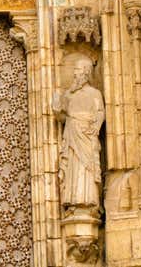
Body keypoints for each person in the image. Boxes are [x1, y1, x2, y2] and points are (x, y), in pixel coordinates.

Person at [52, 57, 104, 212]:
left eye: (77, 69)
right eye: (74, 69)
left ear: (86, 72)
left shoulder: (94, 93)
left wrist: (96, 127)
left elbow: (100, 112)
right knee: (73, 166)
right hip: (72, 134)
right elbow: (63, 118)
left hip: (86, 135)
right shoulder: (69, 95)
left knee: (87, 168)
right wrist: (57, 111)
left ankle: (88, 202)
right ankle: (73, 201)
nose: (74, 73)